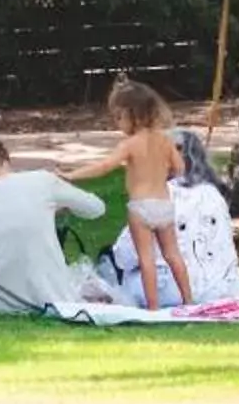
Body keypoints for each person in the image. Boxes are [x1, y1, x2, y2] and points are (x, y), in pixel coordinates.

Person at [0, 122, 104, 314]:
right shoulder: (43, 181)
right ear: (1, 154)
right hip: (52, 295)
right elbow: (96, 209)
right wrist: (64, 194)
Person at [99, 128, 239, 307]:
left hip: (170, 290)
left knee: (118, 269)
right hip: (224, 288)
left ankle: (155, 308)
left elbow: (124, 256)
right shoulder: (215, 195)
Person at [71, 80, 191, 309]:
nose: (117, 123)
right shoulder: (165, 140)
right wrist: (161, 173)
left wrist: (73, 175)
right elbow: (180, 168)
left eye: (118, 117)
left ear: (131, 114)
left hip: (140, 207)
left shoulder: (130, 144)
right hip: (164, 204)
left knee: (147, 259)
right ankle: (188, 300)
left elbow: (105, 166)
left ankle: (153, 307)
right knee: (173, 254)